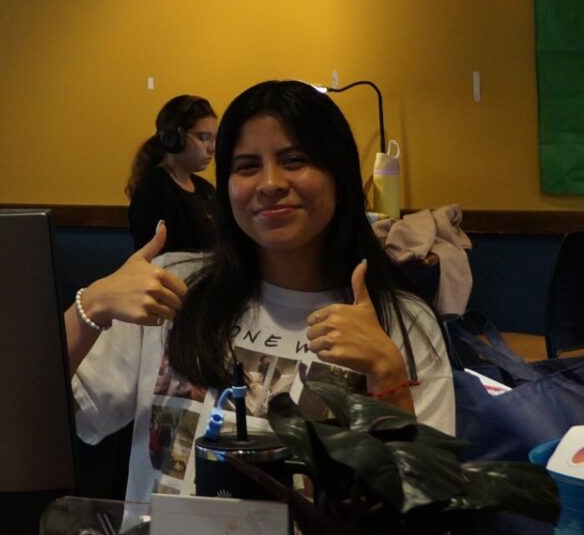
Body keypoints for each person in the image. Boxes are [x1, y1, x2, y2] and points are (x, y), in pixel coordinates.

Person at [66, 79, 456, 501]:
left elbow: (428, 517)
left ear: (339, 175)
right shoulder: (171, 287)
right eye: (247, 166)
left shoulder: (400, 320)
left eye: (295, 160)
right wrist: (91, 307)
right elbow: (32, 422)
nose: (269, 183)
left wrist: (389, 377)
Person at [125, 94, 218, 249]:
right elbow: (157, 260)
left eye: (214, 139)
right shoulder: (154, 191)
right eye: (203, 138)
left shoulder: (205, 190)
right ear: (174, 137)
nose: (212, 148)